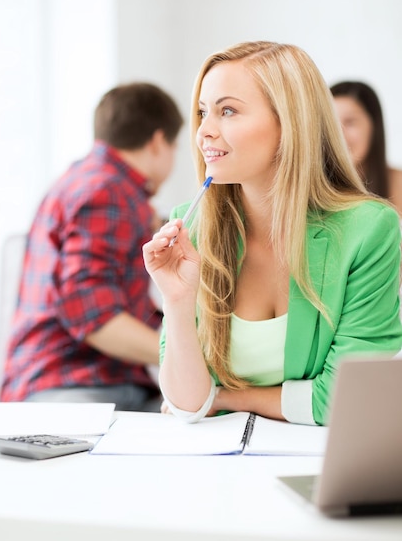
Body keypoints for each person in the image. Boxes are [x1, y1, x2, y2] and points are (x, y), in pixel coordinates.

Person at [142, 41, 402, 426]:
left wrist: (230, 397)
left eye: (227, 110)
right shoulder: (190, 227)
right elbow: (185, 405)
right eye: (202, 113)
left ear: (290, 122)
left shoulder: (369, 229)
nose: (203, 133)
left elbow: (346, 399)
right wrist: (177, 303)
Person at [1, 82, 183, 410]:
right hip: (73, 383)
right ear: (158, 141)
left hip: (65, 380)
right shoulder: (110, 192)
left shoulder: (82, 178)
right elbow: (95, 319)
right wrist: (190, 355)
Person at [330, 80, 402, 216]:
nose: (339, 134)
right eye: (331, 123)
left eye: (350, 122)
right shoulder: (310, 189)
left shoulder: (398, 183)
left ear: (374, 126)